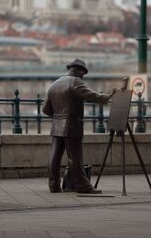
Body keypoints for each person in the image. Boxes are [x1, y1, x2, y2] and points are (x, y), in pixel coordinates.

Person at [42, 59, 116, 194]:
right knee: (75, 157)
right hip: (71, 125)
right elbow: (92, 96)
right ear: (77, 70)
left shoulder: (54, 84)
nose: (83, 77)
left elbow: (46, 110)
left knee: (54, 156)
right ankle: (83, 186)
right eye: (83, 73)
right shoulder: (74, 82)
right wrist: (109, 96)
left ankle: (53, 185)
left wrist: (59, 114)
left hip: (57, 125)